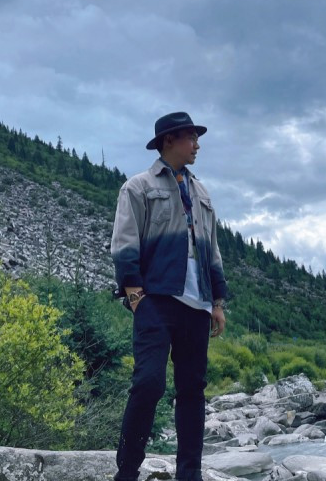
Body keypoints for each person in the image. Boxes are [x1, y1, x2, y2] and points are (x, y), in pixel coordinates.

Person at [111, 111, 228, 481]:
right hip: (156, 300)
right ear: (168, 141)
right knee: (149, 383)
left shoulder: (202, 193)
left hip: (198, 304)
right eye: (191, 137)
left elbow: (212, 251)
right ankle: (127, 471)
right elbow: (124, 243)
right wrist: (135, 296)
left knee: (193, 389)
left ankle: (189, 474)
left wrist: (217, 302)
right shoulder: (138, 187)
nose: (197, 145)